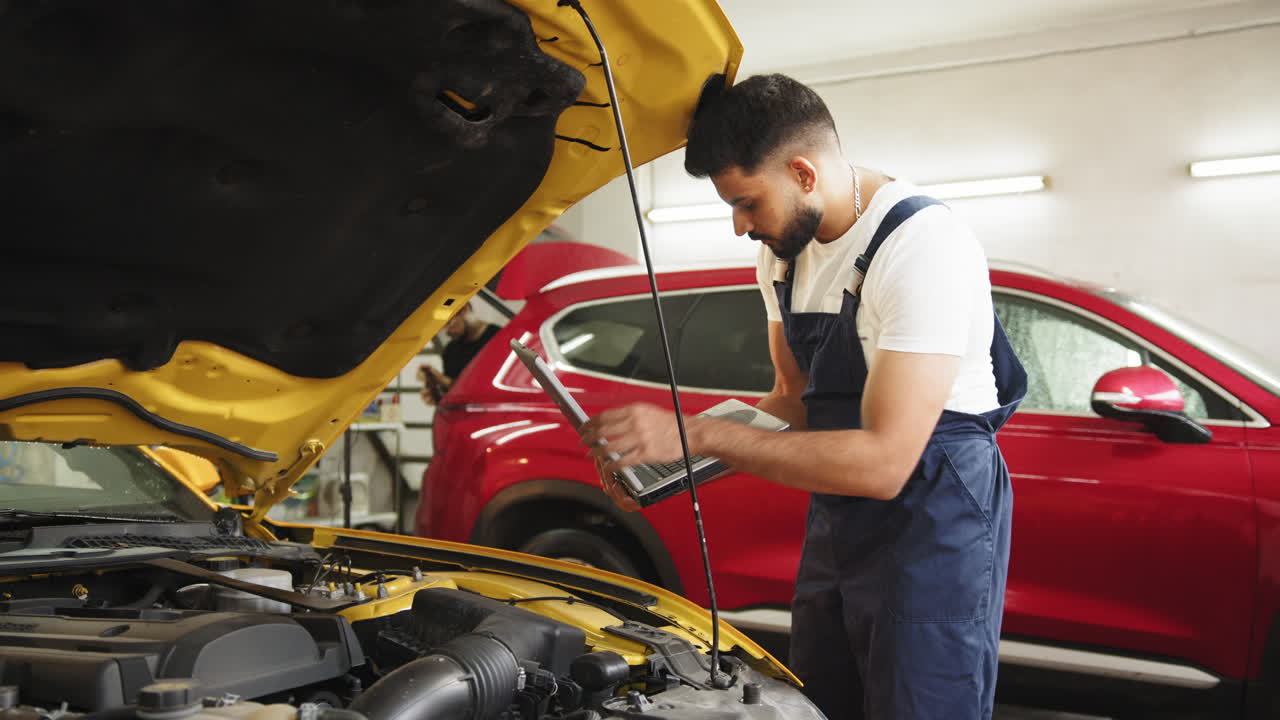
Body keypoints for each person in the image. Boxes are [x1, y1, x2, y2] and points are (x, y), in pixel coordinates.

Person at [579, 74, 1026, 720]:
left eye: (748, 203)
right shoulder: (783, 255)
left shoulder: (919, 246)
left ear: (804, 173)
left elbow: (885, 461)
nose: (740, 226)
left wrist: (700, 435)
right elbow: (791, 400)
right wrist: (665, 460)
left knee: (919, 705)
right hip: (841, 522)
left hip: (933, 512)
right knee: (819, 701)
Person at [418, 301, 499, 405]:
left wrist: (445, 381)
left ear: (464, 309)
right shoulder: (450, 351)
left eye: (448, 323)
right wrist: (435, 390)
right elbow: (453, 398)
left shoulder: (499, 339)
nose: (446, 331)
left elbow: (490, 392)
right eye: (441, 327)